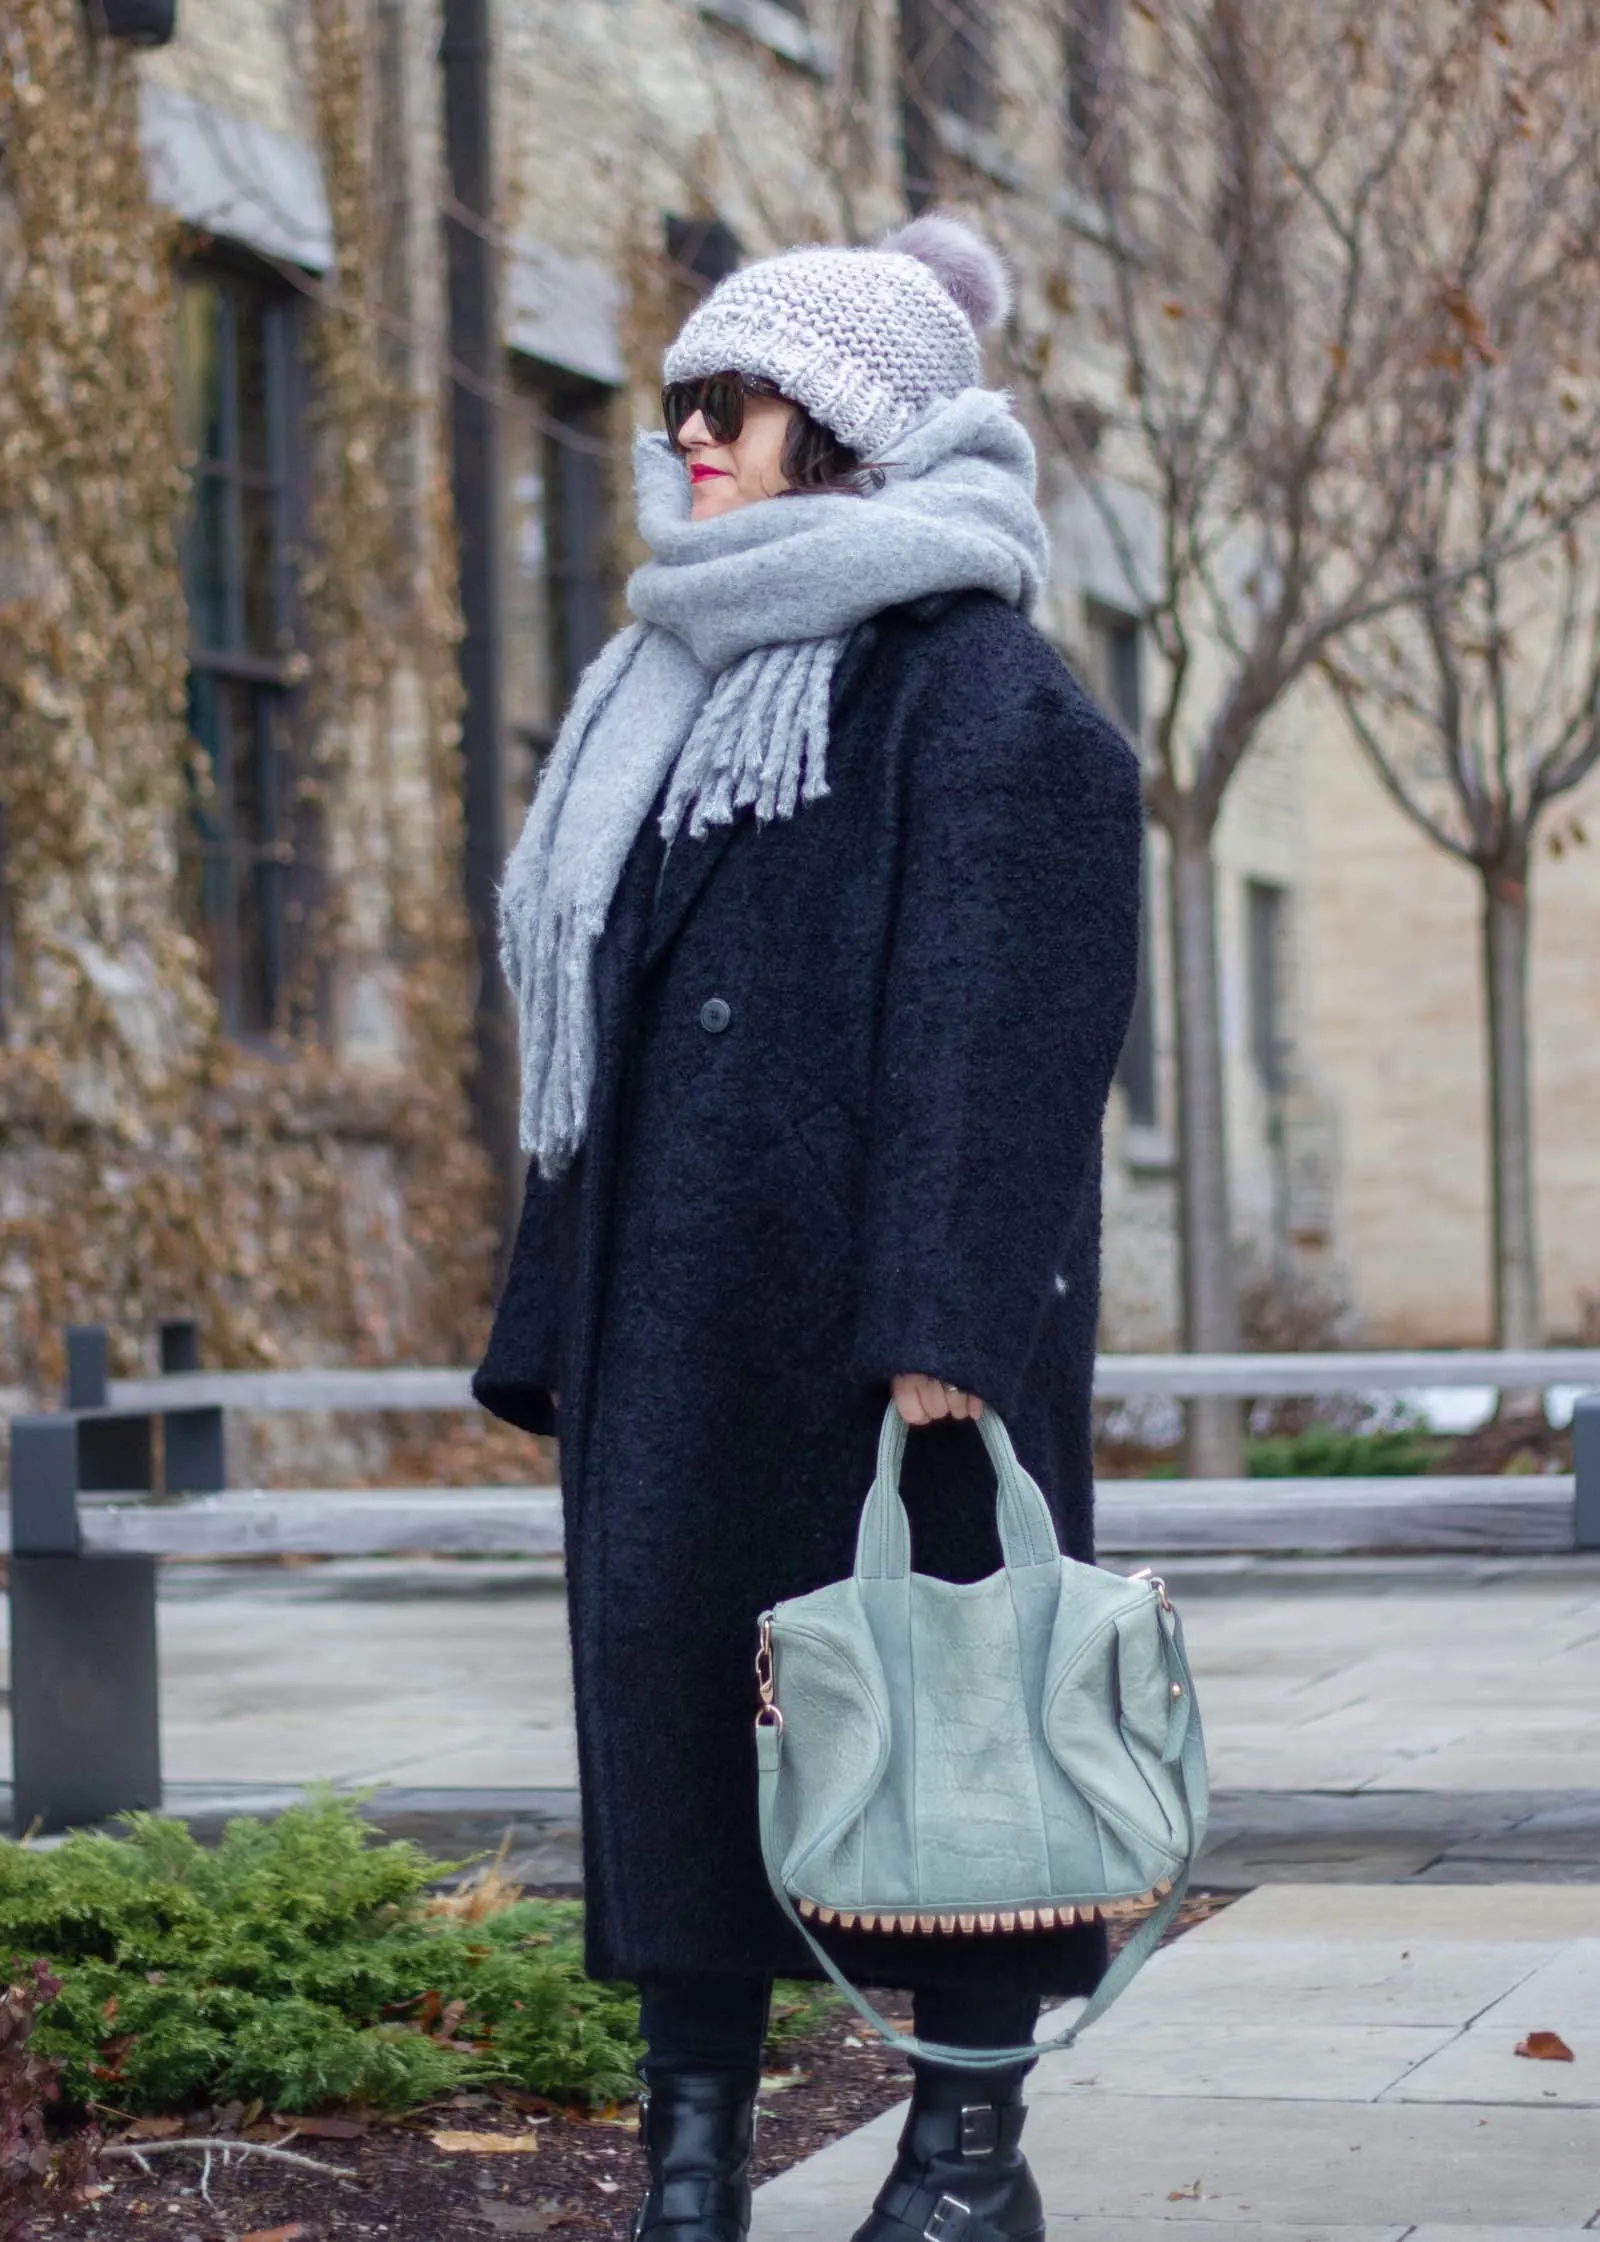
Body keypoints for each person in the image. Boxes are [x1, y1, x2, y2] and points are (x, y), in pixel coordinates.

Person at [475, 214, 1142, 2242]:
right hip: (675, 1320)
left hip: (882, 1334)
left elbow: (1006, 1026)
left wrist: (942, 1316)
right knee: (680, 1731)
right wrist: (557, 1311)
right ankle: (688, 2165)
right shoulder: (666, 676)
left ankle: (963, 2160)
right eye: (678, 398)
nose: (685, 432)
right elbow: (607, 1010)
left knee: (943, 1733)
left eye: (729, 399)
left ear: (846, 429)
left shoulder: (975, 686)